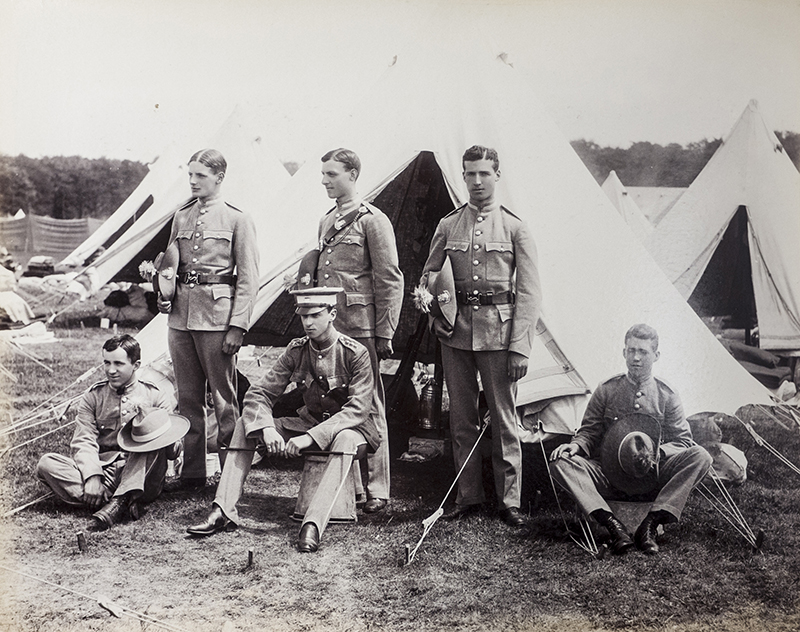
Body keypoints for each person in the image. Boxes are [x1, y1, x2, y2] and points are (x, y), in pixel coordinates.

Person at [186, 287, 380, 553]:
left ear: (332, 313)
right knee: (246, 423)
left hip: (352, 432)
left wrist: (309, 437)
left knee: (345, 438)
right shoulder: (296, 350)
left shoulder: (354, 353)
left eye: (314, 315)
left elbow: (357, 410)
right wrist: (267, 429)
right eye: (303, 316)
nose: (308, 323)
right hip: (307, 424)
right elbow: (259, 393)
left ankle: (312, 523)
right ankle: (223, 510)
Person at [419, 145, 542, 527]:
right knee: (461, 418)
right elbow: (428, 279)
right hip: (456, 335)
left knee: (504, 420)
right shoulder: (448, 225)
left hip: (499, 336)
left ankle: (510, 501)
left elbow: (530, 293)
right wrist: (435, 317)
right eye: (469, 174)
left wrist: (520, 347)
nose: (476, 182)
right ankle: (467, 495)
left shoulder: (515, 227)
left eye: (483, 174)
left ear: (497, 176)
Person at [548, 324, 713, 554]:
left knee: (701, 456)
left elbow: (684, 441)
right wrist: (575, 445)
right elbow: (589, 432)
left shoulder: (667, 395)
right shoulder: (606, 390)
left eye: (643, 352)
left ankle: (651, 524)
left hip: (651, 475)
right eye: (631, 350)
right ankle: (612, 525)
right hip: (608, 474)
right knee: (561, 462)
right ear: (624, 352)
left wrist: (657, 454)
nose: (636, 358)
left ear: (656, 356)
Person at [305, 148, 403, 513]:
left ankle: (378, 488)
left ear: (353, 175)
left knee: (371, 403)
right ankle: (352, 485)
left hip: (360, 326)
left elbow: (389, 278)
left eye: (332, 174)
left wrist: (385, 331)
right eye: (324, 174)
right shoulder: (326, 220)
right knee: (337, 401)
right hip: (332, 329)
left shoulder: (372, 220)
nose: (325, 180)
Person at [157, 149, 259, 491]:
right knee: (187, 398)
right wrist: (163, 293)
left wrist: (238, 325)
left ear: (219, 177)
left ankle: (231, 475)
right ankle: (193, 473)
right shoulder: (181, 215)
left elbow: (248, 277)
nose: (192, 181)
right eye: (190, 175)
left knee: (224, 399)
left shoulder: (237, 219)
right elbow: (170, 266)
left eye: (200, 175)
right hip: (180, 318)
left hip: (217, 318)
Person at [36, 335, 185, 529]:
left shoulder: (155, 395)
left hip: (143, 473)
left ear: (136, 365)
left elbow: (173, 451)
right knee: (47, 464)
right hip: (104, 471)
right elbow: (84, 440)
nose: (111, 370)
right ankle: (117, 502)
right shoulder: (93, 397)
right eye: (106, 363)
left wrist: (162, 433)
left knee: (149, 443)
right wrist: (92, 476)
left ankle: (117, 499)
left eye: (118, 364)